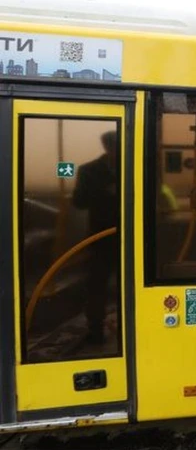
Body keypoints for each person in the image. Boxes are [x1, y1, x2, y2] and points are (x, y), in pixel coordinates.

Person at [72, 130, 120, 345]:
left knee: (130, 285)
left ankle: (134, 327)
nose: (115, 151)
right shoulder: (89, 171)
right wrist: (104, 192)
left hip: (134, 239)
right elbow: (79, 202)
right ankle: (95, 330)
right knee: (97, 285)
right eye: (112, 147)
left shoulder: (137, 165)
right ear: (106, 147)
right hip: (100, 239)